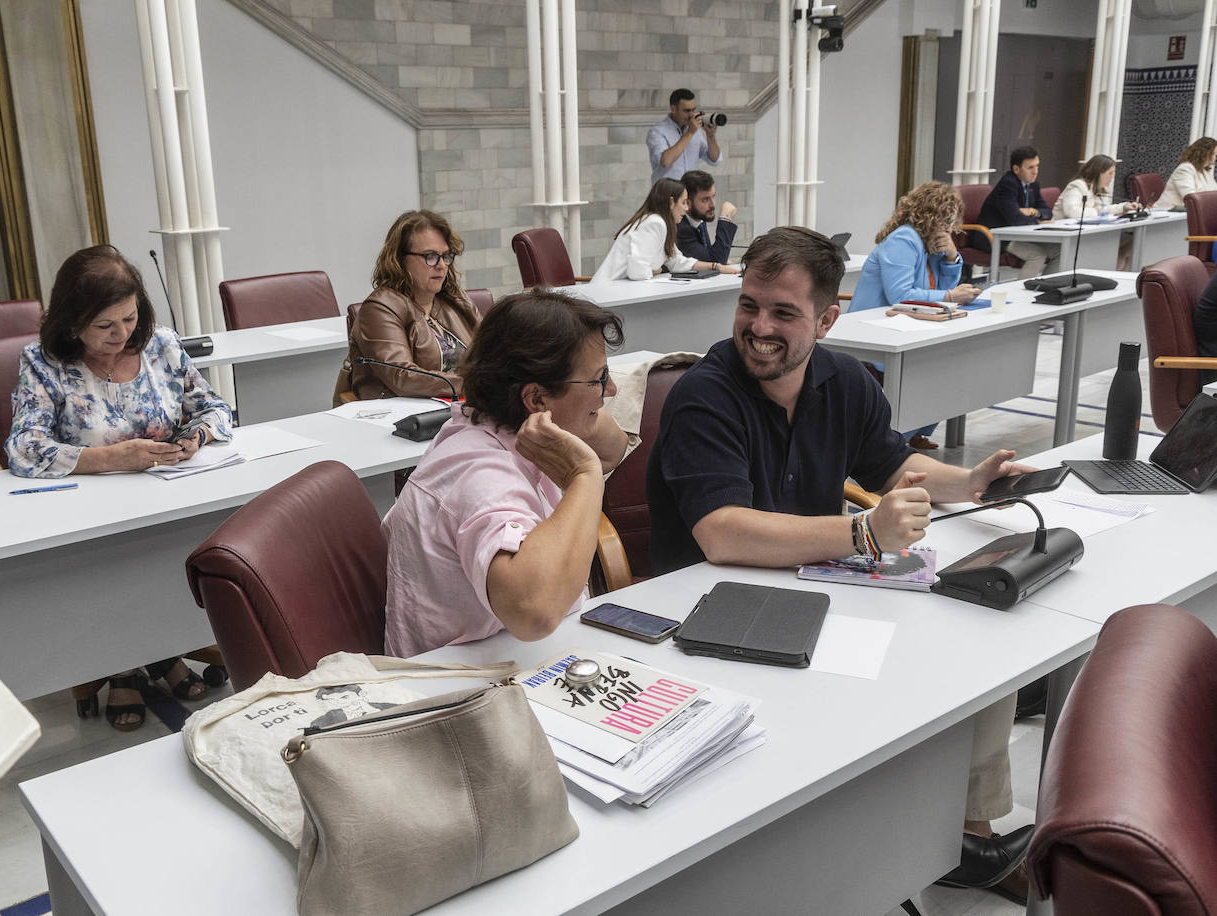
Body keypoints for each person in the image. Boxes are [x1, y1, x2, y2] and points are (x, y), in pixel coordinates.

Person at [646, 226, 1036, 906]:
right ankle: (891, 855)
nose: (758, 327)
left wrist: (968, 481)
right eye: (748, 305)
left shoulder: (844, 379)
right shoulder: (703, 394)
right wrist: (863, 533)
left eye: (783, 313)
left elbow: (891, 466)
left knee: (983, 646)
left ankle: (964, 839)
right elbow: (721, 534)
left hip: (812, 589)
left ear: (828, 318)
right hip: (710, 614)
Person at [7, 245, 233, 729]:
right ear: (71, 323)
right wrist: (112, 458)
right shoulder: (45, 363)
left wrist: (195, 436)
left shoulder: (163, 346)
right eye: (104, 326)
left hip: (170, 500)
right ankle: (124, 663)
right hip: (89, 519)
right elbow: (25, 449)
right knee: (118, 566)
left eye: (129, 319)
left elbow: (217, 409)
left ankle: (160, 648)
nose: (121, 335)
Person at [383, 289, 629, 658]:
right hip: (461, 690)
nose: (611, 389)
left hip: (515, 662)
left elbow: (613, 446)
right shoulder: (477, 473)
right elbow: (533, 612)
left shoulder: (513, 429)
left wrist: (582, 417)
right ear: (537, 400)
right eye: (598, 378)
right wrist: (585, 475)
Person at [850, 181, 981, 450]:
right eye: (944, 220)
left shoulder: (928, 244)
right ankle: (899, 439)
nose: (948, 228)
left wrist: (951, 257)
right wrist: (951, 297)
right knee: (930, 369)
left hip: (907, 325)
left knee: (944, 366)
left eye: (951, 222)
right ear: (928, 216)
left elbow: (942, 289)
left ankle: (915, 432)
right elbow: (901, 294)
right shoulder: (905, 239)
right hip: (874, 330)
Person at [339, 209, 481, 403]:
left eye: (446, 256)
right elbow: (403, 377)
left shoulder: (456, 300)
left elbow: (494, 351)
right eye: (430, 256)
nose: (441, 265)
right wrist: (476, 383)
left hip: (464, 406)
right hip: (404, 418)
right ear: (400, 259)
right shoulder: (380, 308)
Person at [590, 178, 739, 285]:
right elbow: (637, 272)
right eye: (683, 202)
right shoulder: (655, 222)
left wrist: (716, 267)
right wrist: (655, 270)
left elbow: (678, 262)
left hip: (618, 292)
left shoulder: (662, 223)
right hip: (607, 295)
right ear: (671, 202)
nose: (686, 208)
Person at [977, 145, 1058, 279]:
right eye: (1030, 167)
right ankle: (1021, 293)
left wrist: (1032, 211)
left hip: (1019, 236)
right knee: (1037, 255)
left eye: (1037, 166)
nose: (1035, 171)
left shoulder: (1033, 184)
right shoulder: (1007, 185)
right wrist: (1037, 220)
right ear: (1016, 169)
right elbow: (1016, 220)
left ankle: (1046, 286)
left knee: (1059, 251)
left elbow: (1048, 212)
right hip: (996, 237)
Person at [646, 88, 722, 184]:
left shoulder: (695, 131)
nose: (691, 115)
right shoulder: (657, 131)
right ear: (673, 109)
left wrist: (711, 136)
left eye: (693, 110)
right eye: (686, 111)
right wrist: (689, 133)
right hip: (666, 193)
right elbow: (665, 162)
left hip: (690, 193)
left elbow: (714, 159)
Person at [677, 170, 738, 265]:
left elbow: (710, 257)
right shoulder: (681, 228)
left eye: (713, 196)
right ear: (687, 203)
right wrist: (725, 219)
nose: (713, 204)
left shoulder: (699, 219)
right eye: (705, 200)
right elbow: (714, 262)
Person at [1056, 154, 1140, 218]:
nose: (1113, 176)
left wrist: (1124, 207)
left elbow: (1103, 209)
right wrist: (1095, 210)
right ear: (1097, 173)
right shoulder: (1077, 186)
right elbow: (1071, 211)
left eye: (1114, 172)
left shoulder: (1097, 188)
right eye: (1110, 173)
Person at [1154, 136, 1217, 210]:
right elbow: (1191, 198)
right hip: (1168, 214)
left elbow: (1214, 192)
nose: (1215, 157)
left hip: (1189, 213)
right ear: (1205, 154)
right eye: (1214, 154)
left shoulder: (1205, 170)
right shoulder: (1185, 168)